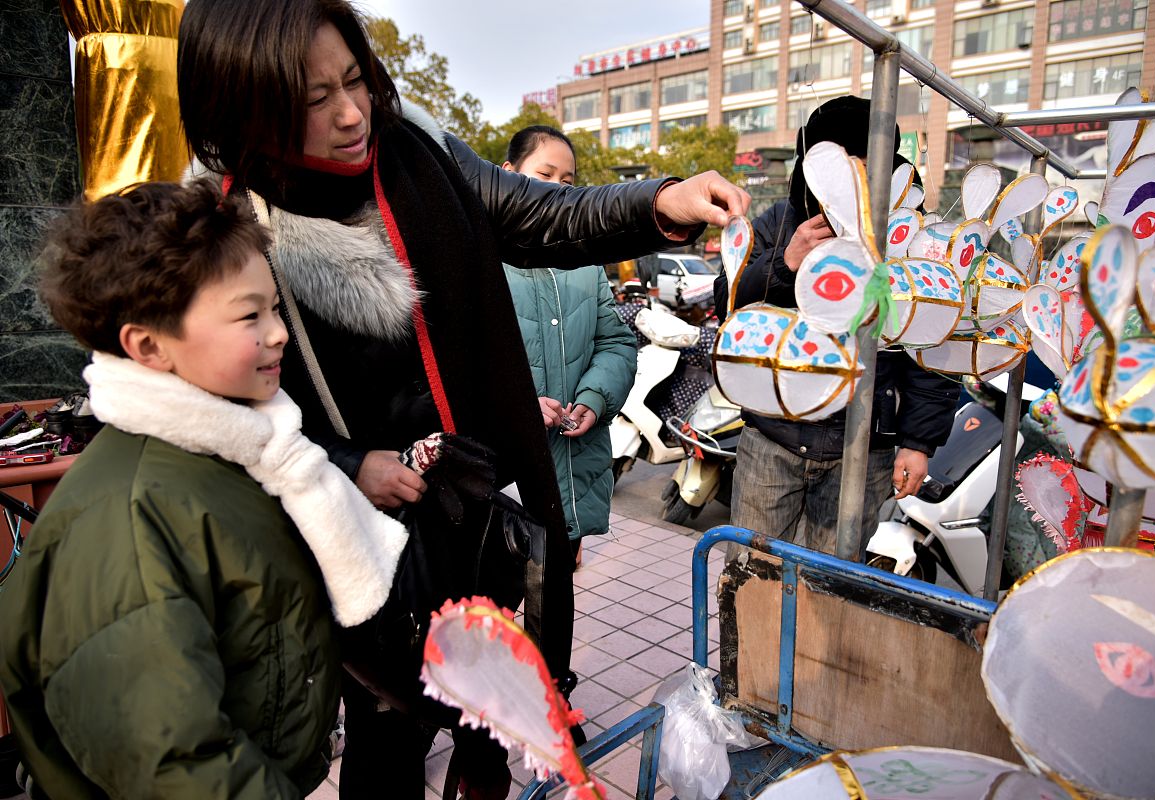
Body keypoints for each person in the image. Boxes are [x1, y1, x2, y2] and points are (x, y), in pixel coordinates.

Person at [175, 1, 748, 795]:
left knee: (498, 713)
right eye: (314, 99)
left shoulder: (414, 153)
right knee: (388, 735)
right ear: (247, 102)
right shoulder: (226, 229)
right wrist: (349, 464)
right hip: (358, 540)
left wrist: (659, 204)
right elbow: (221, 417)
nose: (351, 115)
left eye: (356, 82)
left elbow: (538, 213)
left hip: (477, 502)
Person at [0, 181, 410, 797]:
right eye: (250, 315)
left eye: (275, 308)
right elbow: (173, 762)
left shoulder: (244, 452)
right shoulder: (132, 519)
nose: (278, 334)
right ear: (149, 346)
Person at [713, 96, 959, 555]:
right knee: (749, 574)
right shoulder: (782, 222)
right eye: (836, 170)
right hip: (774, 435)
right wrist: (786, 263)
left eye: (863, 172)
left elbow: (934, 348)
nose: (850, 185)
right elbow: (727, 304)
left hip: (864, 449)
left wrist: (918, 442)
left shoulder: (908, 234)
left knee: (830, 586)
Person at [501, 126, 637, 568]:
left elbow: (615, 342)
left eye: (567, 183)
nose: (556, 191)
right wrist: (515, 407)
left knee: (553, 616)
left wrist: (594, 399)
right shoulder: (479, 258)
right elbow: (453, 364)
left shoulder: (584, 260)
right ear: (507, 175)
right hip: (502, 481)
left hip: (572, 484)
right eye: (544, 174)